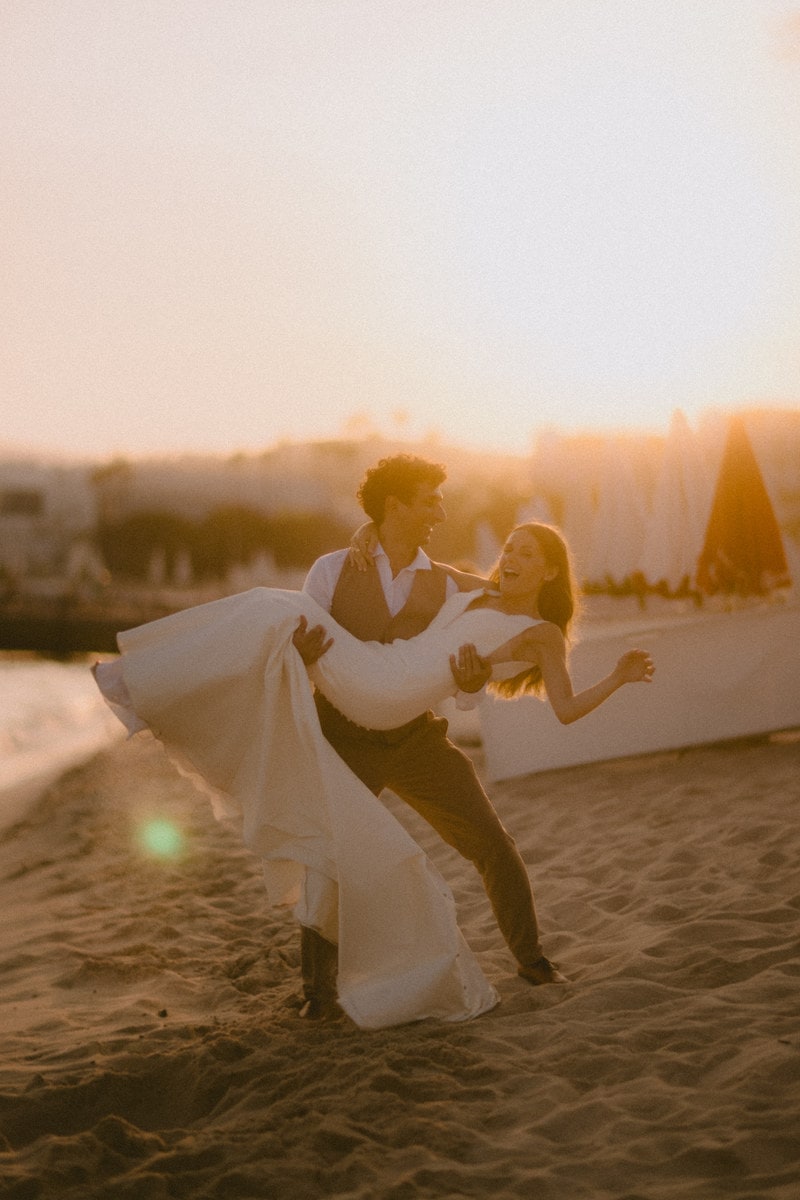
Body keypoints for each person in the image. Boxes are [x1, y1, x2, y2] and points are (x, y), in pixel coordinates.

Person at [93, 471, 653, 1031]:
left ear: (551, 570)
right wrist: (306, 643)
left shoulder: (455, 586)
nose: (440, 513)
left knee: (490, 843)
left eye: (525, 553)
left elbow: (478, 685)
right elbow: (301, 647)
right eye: (429, 503)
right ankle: (317, 992)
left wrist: (478, 680)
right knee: (325, 851)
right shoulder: (343, 568)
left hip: (411, 730)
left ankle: (532, 960)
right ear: (394, 507)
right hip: (347, 721)